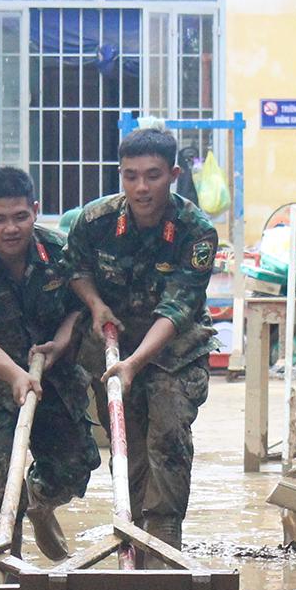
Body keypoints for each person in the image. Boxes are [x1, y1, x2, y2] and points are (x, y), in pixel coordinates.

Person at [65, 127, 218, 554]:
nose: (141, 187)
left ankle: (165, 538)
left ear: (172, 174)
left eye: (152, 175)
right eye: (131, 175)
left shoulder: (196, 232)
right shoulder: (95, 222)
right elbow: (74, 269)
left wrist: (135, 364)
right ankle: (131, 533)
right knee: (126, 442)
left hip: (175, 350)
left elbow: (178, 307)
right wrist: (95, 305)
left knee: (167, 436)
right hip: (112, 345)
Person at [0, 167, 100, 558]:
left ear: (35, 211)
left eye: (20, 217)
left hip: (55, 379)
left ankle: (40, 501)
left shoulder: (61, 254)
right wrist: (15, 376)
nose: (10, 228)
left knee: (75, 467)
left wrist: (62, 341)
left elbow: (80, 306)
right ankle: (5, 567)